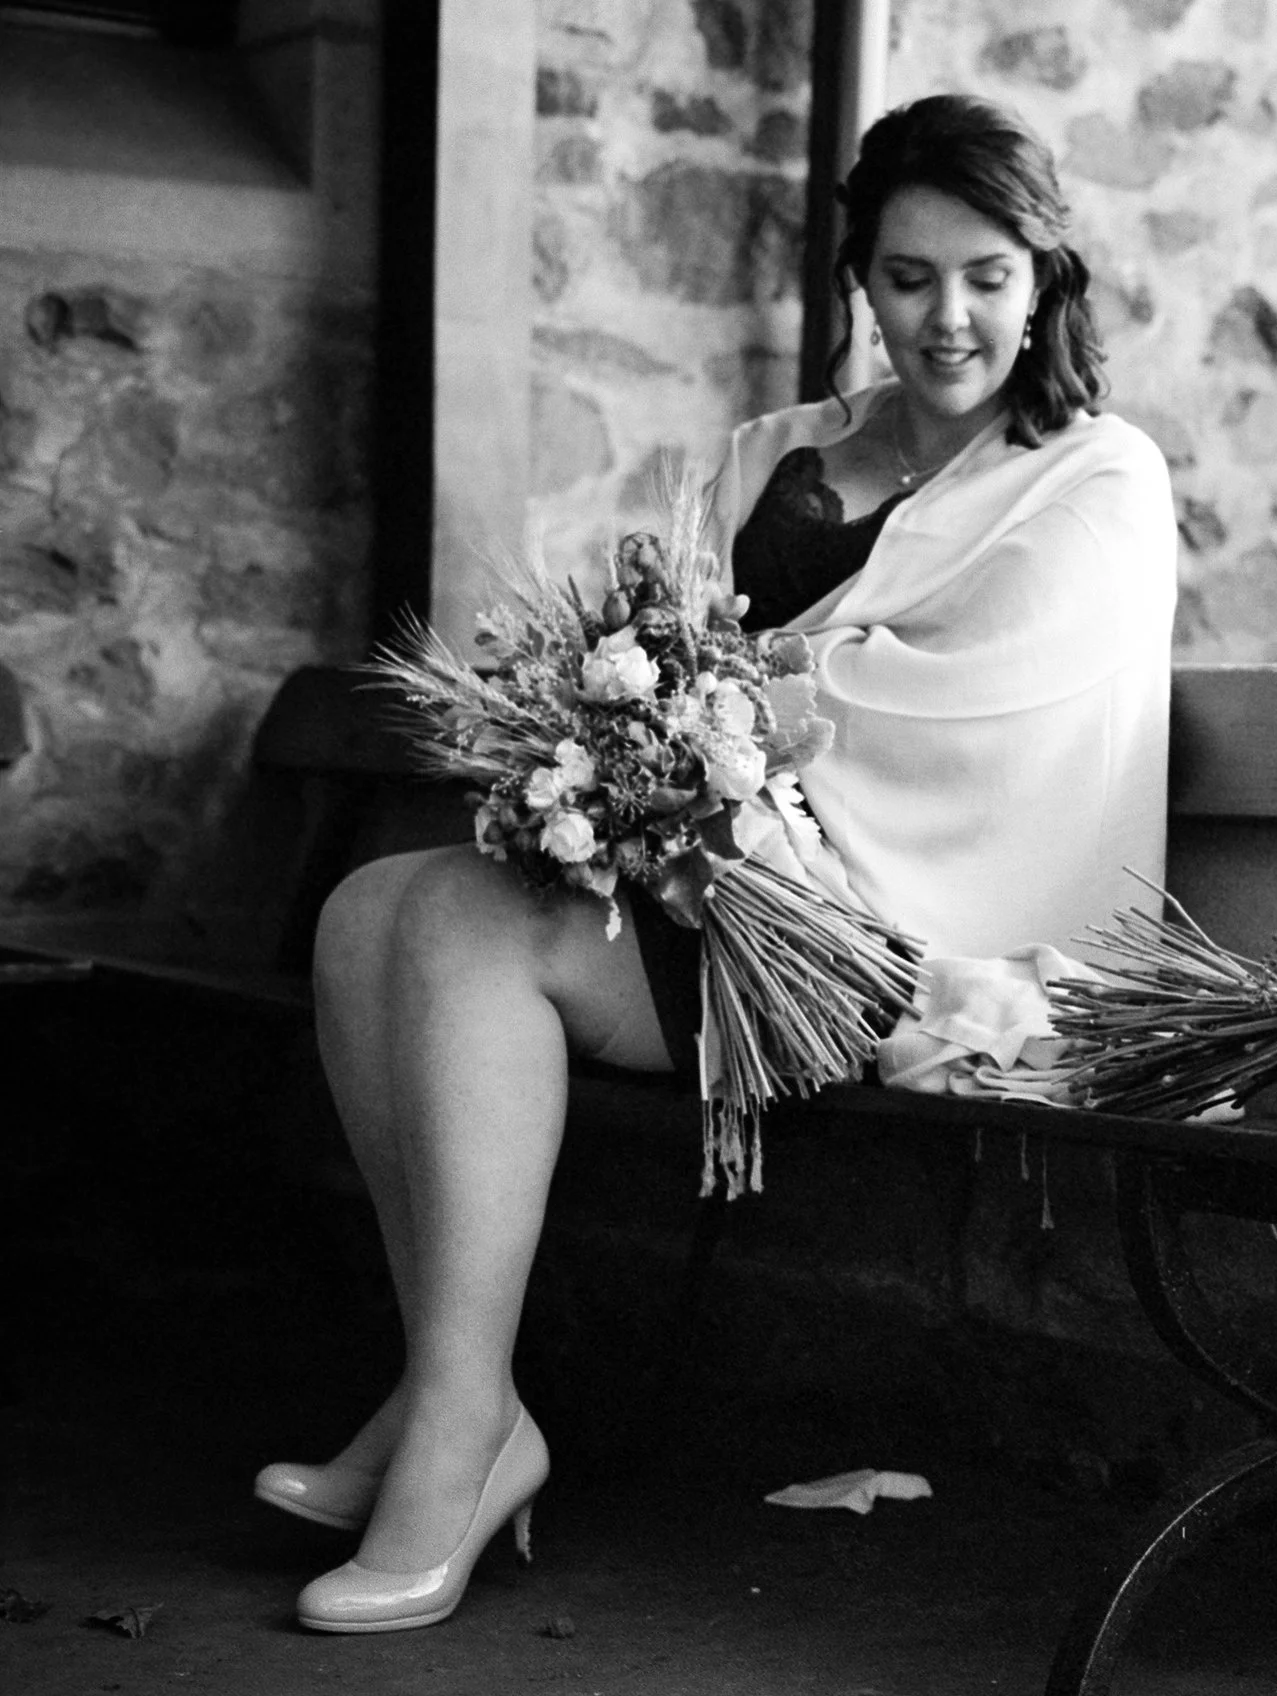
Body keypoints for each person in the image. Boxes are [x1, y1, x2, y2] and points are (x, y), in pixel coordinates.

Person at [259, 93, 1176, 1635]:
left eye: (986, 274)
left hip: (888, 937)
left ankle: (460, 1433)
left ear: (1044, 279)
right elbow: (671, 643)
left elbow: (954, 702)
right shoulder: (781, 452)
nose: (946, 317)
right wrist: (646, 734)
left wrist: (693, 725)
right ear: (859, 283)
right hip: (707, 869)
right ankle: (456, 1398)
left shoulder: (1094, 477)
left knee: (467, 933)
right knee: (367, 908)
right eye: (906, 276)